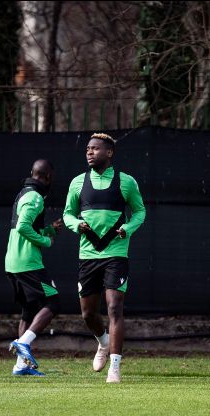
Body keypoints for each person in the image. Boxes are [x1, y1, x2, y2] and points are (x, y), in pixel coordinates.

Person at [63, 133, 146, 384]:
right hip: (88, 255)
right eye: (88, 149)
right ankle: (103, 342)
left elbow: (140, 212)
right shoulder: (78, 182)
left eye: (95, 149)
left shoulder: (126, 182)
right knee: (88, 314)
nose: (89, 152)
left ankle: (115, 368)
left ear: (109, 153)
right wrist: (76, 224)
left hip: (116, 254)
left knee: (114, 308)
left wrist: (127, 228)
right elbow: (68, 214)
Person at [5, 159, 64, 376]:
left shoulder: (24, 193)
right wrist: (46, 241)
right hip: (27, 262)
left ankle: (20, 366)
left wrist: (49, 230)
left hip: (13, 261)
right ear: (48, 177)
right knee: (53, 303)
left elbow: (25, 226)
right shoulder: (35, 197)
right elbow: (23, 227)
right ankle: (24, 342)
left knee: (28, 311)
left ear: (32, 172)